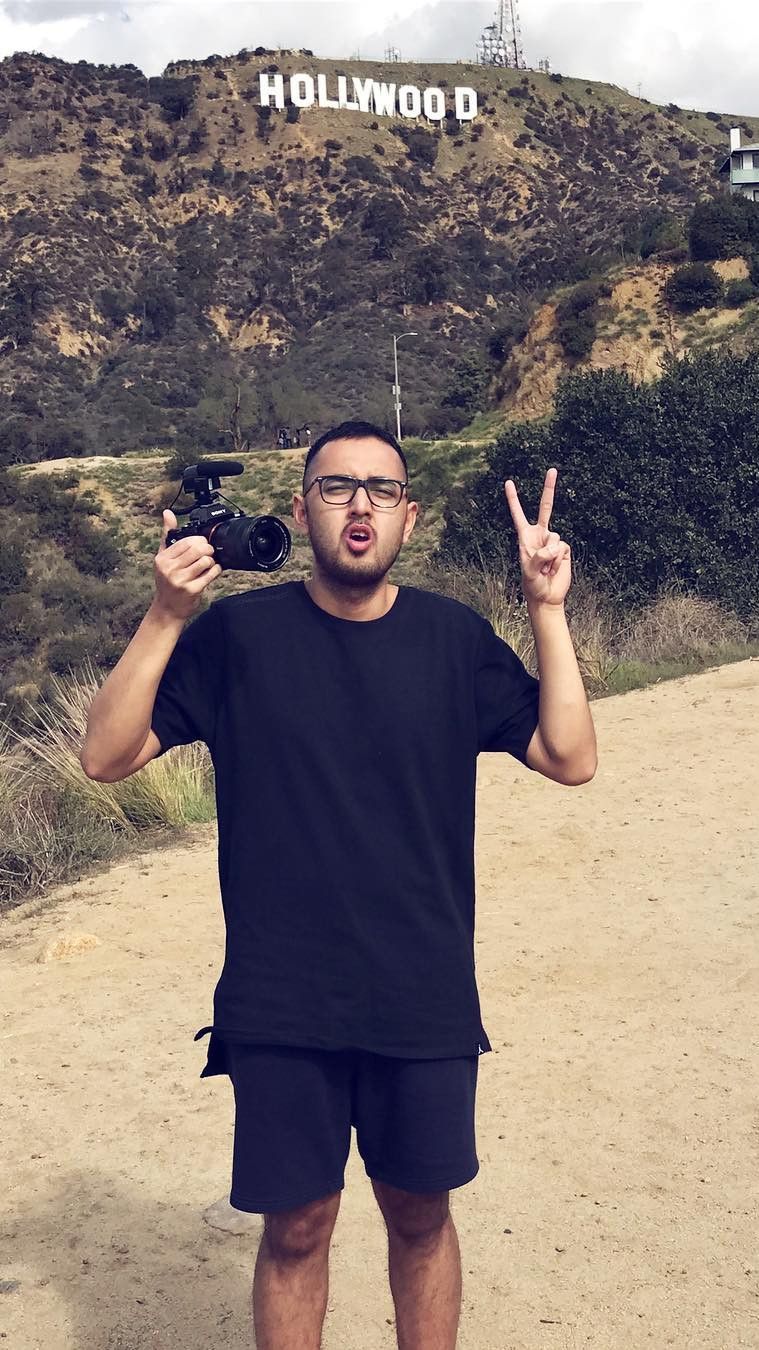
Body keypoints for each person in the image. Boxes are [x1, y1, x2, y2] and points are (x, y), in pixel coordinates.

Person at [80, 419, 596, 1350]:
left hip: (422, 990)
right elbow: (106, 755)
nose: (359, 506)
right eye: (335, 487)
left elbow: (569, 756)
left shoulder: (452, 638)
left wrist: (546, 611)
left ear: (409, 515)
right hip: (281, 999)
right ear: (300, 507)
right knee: (298, 1228)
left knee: (420, 1217)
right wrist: (163, 615)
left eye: (381, 490)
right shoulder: (236, 636)